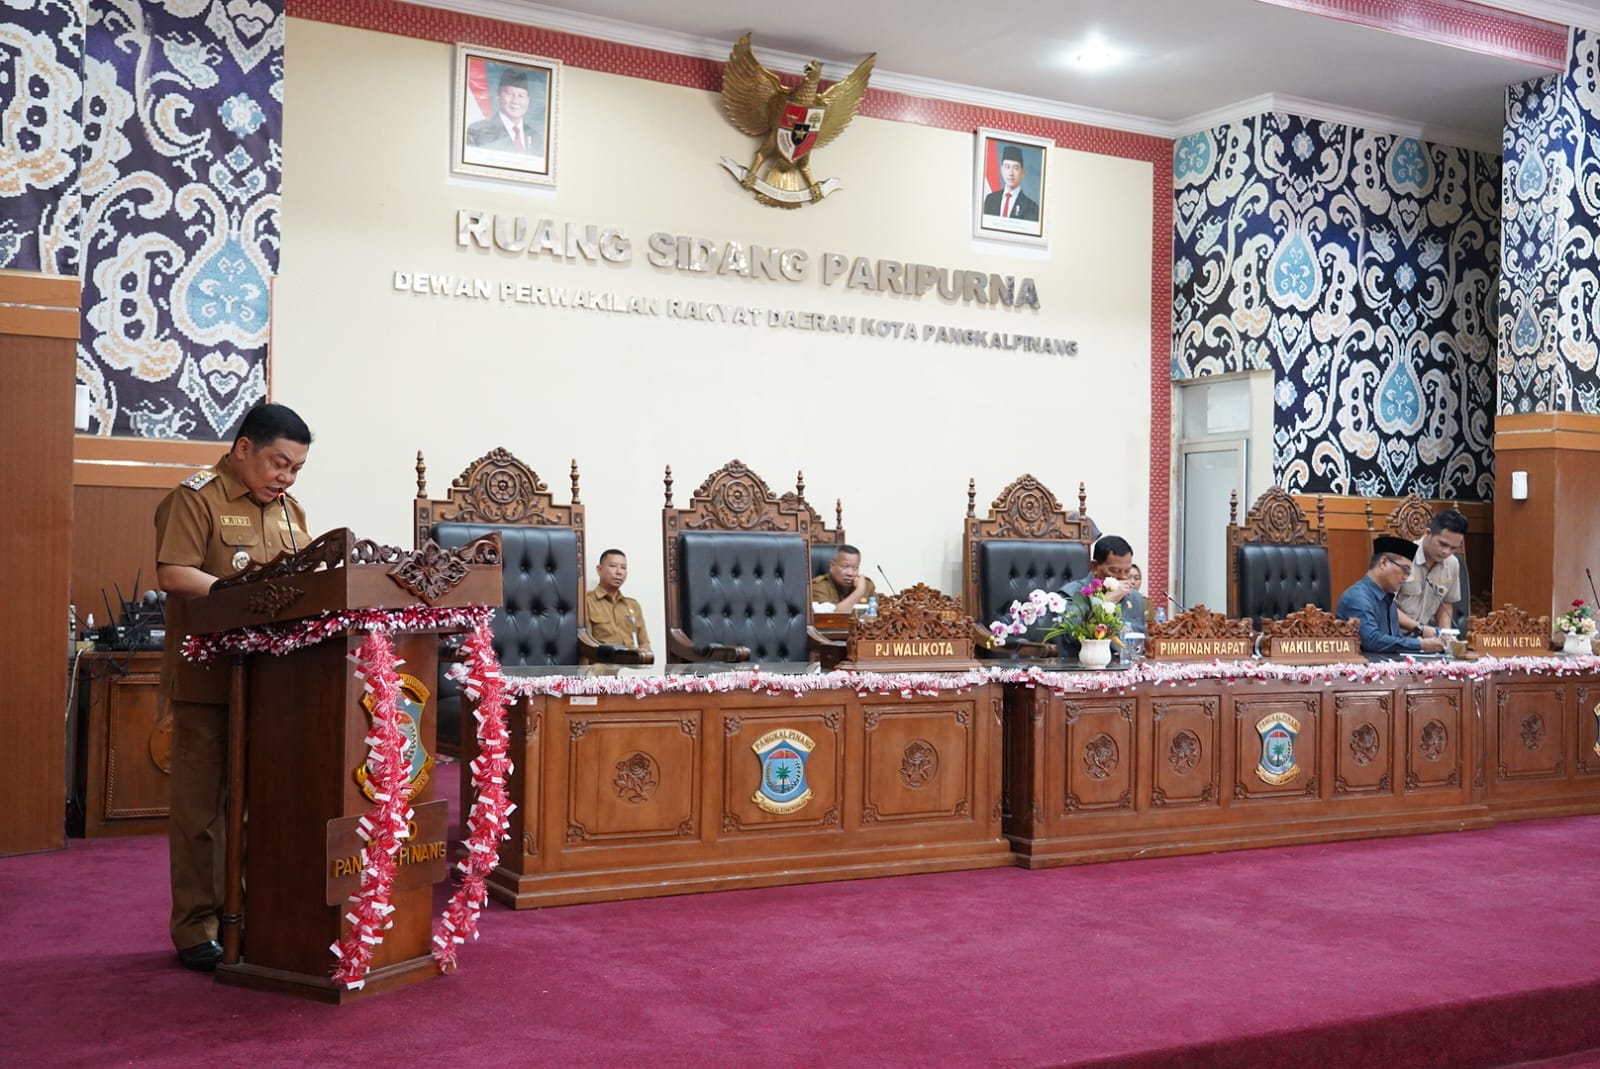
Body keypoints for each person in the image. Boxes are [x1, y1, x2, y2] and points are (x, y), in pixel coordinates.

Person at [154, 402, 312, 972]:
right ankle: (197, 927)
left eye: (296, 469)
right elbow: (174, 572)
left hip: (275, 684)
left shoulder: (290, 511)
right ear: (244, 448)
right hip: (209, 679)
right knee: (202, 812)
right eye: (279, 463)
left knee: (260, 808)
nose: (286, 478)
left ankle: (247, 913)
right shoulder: (196, 498)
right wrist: (244, 596)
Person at [1336, 536, 1446, 655]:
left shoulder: (1387, 598)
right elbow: (1372, 641)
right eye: (1405, 569)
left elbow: (1394, 642)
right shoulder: (1357, 597)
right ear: (1383, 563)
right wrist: (1421, 644)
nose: (1406, 577)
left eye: (1409, 573)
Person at [1057, 535, 1147, 656]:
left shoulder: (1134, 597)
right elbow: (1071, 636)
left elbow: (1140, 641)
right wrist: (1105, 601)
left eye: (1127, 571)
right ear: (1094, 566)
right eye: (1114, 571)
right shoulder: (1071, 594)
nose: (1123, 577)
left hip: (1126, 665)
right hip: (1082, 663)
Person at [1395, 509, 1467, 638]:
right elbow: (1384, 606)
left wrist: (1445, 634)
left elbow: (1446, 602)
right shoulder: (1401, 557)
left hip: (1424, 638)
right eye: (1443, 544)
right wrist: (1420, 629)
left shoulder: (1452, 563)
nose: (1446, 552)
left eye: (1453, 548)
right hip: (1393, 635)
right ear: (1427, 533)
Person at [586, 549, 652, 658]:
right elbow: (586, 644)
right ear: (599, 569)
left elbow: (644, 644)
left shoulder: (633, 605)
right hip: (602, 665)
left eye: (623, 567)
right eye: (613, 566)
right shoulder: (586, 602)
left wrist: (643, 656)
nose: (619, 572)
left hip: (631, 664)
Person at [466, 67, 544, 154]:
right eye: (509, 94)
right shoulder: (477, 131)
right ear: (498, 96)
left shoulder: (536, 138)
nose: (515, 101)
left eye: (521, 96)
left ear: (528, 100)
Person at [983, 144, 1040, 221]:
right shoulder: (990, 199)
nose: (1011, 173)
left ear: (1022, 172)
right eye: (1007, 167)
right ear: (1002, 170)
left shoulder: (1032, 208)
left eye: (1015, 168)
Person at [810, 543, 875, 611]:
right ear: (832, 565)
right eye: (845, 566)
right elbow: (834, 615)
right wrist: (859, 591)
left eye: (855, 568)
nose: (850, 573)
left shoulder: (867, 585)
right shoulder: (818, 586)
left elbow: (876, 613)